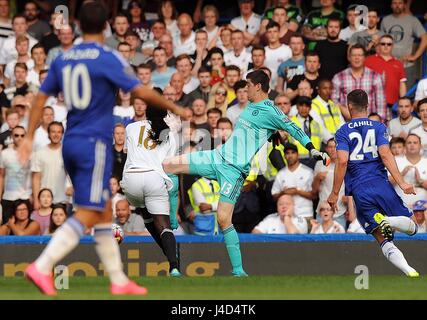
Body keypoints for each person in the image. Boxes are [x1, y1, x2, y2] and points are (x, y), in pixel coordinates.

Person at [18, 2, 189, 296]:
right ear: (106, 25)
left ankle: (118, 280)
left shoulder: (64, 58)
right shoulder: (107, 56)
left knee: (103, 211)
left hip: (71, 141)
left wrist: (27, 137)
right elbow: (140, 90)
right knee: (91, 210)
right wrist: (173, 106)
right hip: (93, 143)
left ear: (79, 26)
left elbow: (39, 99)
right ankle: (42, 266)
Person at [163, 70, 329, 276]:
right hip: (217, 157)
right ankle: (171, 219)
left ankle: (239, 271)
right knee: (169, 165)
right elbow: (262, 129)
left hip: (233, 172)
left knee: (224, 220)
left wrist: (312, 147)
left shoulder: (272, 110)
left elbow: (293, 128)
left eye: (248, 85)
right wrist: (273, 134)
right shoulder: (251, 105)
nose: (245, 89)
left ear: (258, 86)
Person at [328, 89, 419, 277]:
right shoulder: (378, 127)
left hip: (359, 191)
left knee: (381, 237)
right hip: (381, 184)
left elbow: (342, 161)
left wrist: (335, 193)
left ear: (349, 106)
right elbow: (385, 154)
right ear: (367, 106)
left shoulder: (342, 131)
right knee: (413, 227)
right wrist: (402, 182)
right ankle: (390, 223)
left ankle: (408, 269)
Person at [121, 104, 182, 276]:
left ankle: (171, 257)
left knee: (146, 214)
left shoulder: (130, 127)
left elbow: (128, 151)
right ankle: (174, 266)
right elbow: (169, 166)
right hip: (154, 179)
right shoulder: (170, 134)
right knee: (163, 224)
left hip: (131, 179)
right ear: (164, 115)